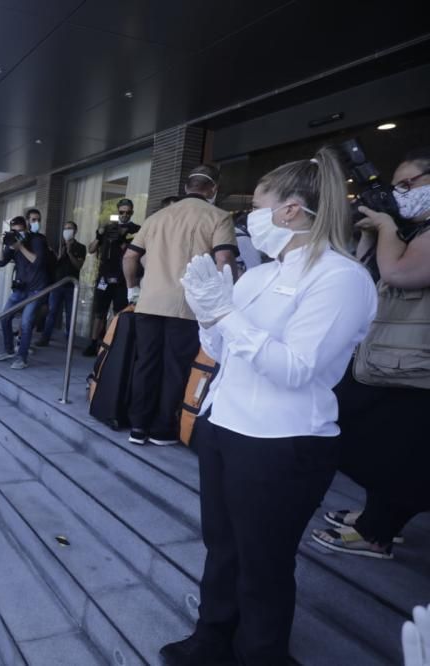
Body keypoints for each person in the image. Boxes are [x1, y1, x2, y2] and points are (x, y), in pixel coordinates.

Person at [159, 148, 377, 666]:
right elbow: (220, 350)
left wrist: (225, 314)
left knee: (264, 563)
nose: (247, 220)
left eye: (255, 207)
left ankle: (261, 654)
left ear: (291, 211)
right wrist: (208, 311)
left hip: (283, 444)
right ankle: (212, 637)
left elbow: (296, 367)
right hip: (226, 428)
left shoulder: (341, 278)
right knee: (223, 548)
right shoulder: (259, 274)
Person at [311, 147, 430, 559]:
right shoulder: (410, 229)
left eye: (408, 184)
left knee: (393, 447)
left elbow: (400, 274)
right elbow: (367, 274)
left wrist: (386, 227)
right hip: (390, 359)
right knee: (389, 445)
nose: (400, 193)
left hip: (414, 365)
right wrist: (371, 229)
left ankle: (377, 531)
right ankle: (378, 519)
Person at [122, 166, 237, 445]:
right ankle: (162, 430)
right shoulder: (219, 217)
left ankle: (138, 427)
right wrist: (225, 298)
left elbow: (129, 257)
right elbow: (224, 260)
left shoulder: (156, 218)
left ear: (187, 187)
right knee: (175, 366)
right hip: (187, 306)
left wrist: (132, 288)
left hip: (149, 303)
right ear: (212, 189)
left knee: (146, 363)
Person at [82, 199, 142, 356]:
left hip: (123, 278)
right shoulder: (109, 228)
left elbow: (139, 253)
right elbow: (91, 249)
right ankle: (93, 343)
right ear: (117, 211)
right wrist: (99, 234)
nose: (124, 215)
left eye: (128, 212)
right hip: (105, 276)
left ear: (132, 212)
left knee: (119, 313)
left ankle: (112, 344)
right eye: (122, 212)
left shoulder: (137, 230)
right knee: (99, 312)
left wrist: (123, 240)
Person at [0, 214, 50, 369]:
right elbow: (0, 262)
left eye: (19, 231)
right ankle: (8, 350)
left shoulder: (37, 240)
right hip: (21, 288)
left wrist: (21, 247)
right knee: (4, 318)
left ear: (26, 228)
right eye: (14, 231)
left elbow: (37, 261)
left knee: (26, 322)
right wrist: (2, 243)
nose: (17, 234)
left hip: (37, 289)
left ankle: (21, 358)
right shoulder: (13, 242)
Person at [39, 220, 86, 347]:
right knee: (51, 312)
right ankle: (45, 338)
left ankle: (69, 341)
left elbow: (78, 266)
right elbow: (53, 264)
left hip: (71, 287)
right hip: (57, 285)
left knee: (70, 315)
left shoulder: (80, 247)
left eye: (70, 228)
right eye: (65, 228)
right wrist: (59, 254)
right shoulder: (58, 245)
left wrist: (70, 252)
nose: (67, 231)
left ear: (75, 231)